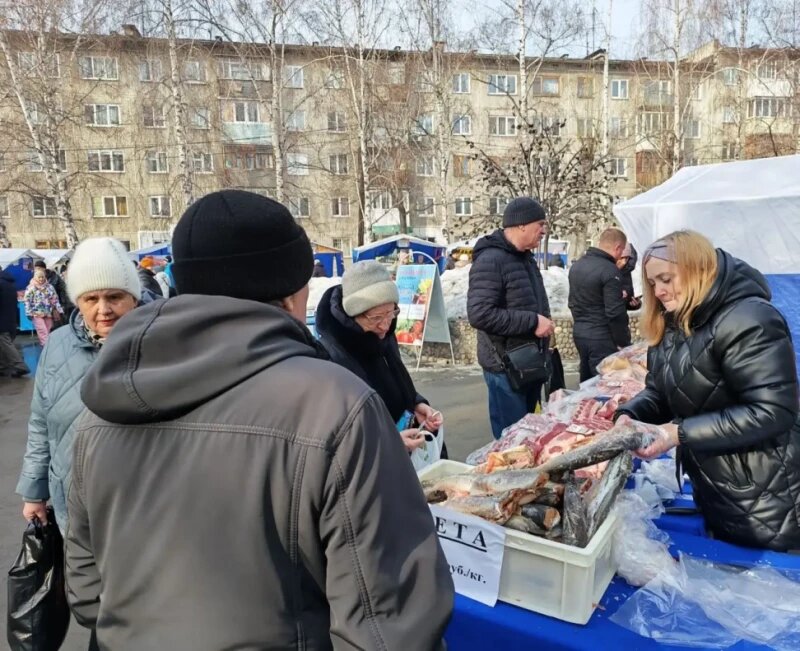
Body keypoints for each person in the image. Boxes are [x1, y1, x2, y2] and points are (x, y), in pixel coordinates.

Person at [66, 190, 453, 649]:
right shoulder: (334, 405)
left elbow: (88, 590)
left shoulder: (99, 411)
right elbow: (389, 620)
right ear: (292, 291)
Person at [616, 230, 800, 551]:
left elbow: (773, 411)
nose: (658, 291)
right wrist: (629, 415)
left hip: (769, 499)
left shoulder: (749, 319)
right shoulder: (673, 324)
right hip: (717, 490)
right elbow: (660, 392)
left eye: (666, 279)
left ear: (697, 269)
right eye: (652, 283)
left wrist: (676, 434)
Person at [16, 238, 142, 533]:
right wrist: (34, 492)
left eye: (114, 297)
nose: (104, 309)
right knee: (81, 577)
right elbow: (41, 422)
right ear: (78, 302)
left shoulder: (160, 343)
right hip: (72, 502)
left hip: (140, 505)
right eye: (91, 299)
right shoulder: (58, 345)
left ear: (134, 298)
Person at [316, 260, 444, 453]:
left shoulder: (382, 333)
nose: (385, 325)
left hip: (405, 448)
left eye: (390, 313)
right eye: (376, 318)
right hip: (374, 462)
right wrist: (387, 441)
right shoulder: (330, 353)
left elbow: (392, 378)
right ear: (353, 314)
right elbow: (334, 431)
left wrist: (415, 403)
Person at [467, 197, 554, 439]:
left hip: (528, 364)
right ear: (522, 225)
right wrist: (533, 322)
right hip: (505, 369)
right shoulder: (491, 260)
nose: (544, 231)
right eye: (541, 224)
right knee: (512, 442)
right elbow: (480, 314)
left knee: (530, 437)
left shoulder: (524, 257)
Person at [568, 228, 630, 382]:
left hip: (580, 334)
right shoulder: (610, 270)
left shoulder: (577, 266)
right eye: (621, 251)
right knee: (605, 385)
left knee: (586, 382)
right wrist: (623, 342)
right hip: (602, 336)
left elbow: (574, 302)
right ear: (617, 248)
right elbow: (615, 313)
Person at [0, 265, 29, 378]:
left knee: (5, 343)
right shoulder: (9, 284)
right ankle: (3, 366)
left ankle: (20, 365)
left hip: (2, 320)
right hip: (11, 319)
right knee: (3, 343)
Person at [24, 269, 63, 346]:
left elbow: (55, 299)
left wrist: (59, 310)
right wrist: (28, 312)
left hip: (48, 312)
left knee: (48, 330)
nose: (41, 279)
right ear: (35, 277)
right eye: (39, 277)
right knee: (42, 330)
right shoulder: (31, 287)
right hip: (36, 313)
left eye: (42, 277)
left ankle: (46, 346)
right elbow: (27, 301)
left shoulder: (49, 287)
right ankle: (45, 346)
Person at [34, 259, 73, 323]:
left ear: (43, 269)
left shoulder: (54, 277)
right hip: (41, 309)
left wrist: (62, 305)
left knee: (56, 326)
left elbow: (63, 290)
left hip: (55, 307)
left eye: (38, 268)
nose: (36, 270)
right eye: (35, 269)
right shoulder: (34, 279)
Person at [617, 242, 642, 310]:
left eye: (626, 258)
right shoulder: (605, 269)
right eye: (621, 258)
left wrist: (635, 304)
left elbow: (630, 302)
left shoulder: (636, 272)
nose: (623, 262)